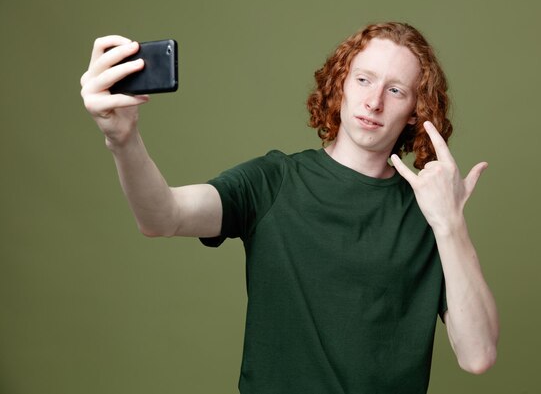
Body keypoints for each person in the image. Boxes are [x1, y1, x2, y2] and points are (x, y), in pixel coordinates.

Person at [80, 22, 499, 394]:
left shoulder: (430, 212)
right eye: (364, 80)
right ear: (341, 85)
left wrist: (450, 224)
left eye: (395, 90)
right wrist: (122, 139)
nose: (374, 102)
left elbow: (477, 355)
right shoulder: (274, 181)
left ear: (414, 110)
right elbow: (162, 216)